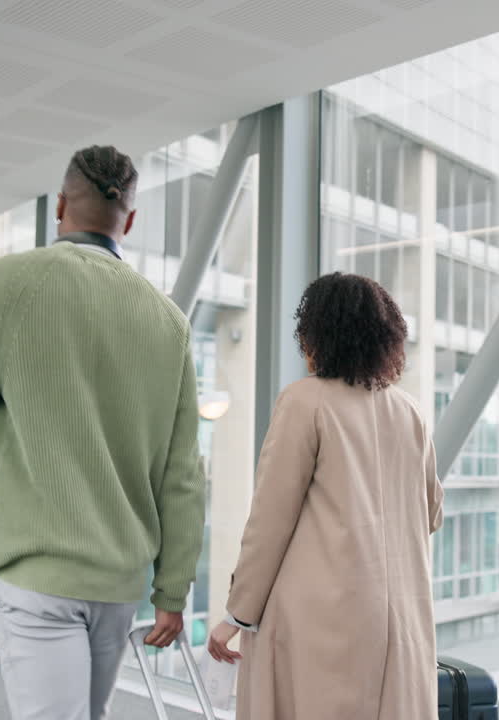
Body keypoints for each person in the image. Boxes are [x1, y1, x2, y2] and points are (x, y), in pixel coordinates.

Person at [0, 146, 206, 720]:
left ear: (58, 208)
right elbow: (183, 475)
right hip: (119, 584)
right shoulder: (167, 321)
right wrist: (172, 590)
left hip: (38, 576)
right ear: (128, 221)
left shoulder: (11, 284)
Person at [206, 272, 445, 719]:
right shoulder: (409, 410)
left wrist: (236, 616)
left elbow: (270, 522)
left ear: (316, 334)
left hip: (318, 619)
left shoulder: (305, 401)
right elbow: (431, 512)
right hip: (400, 623)